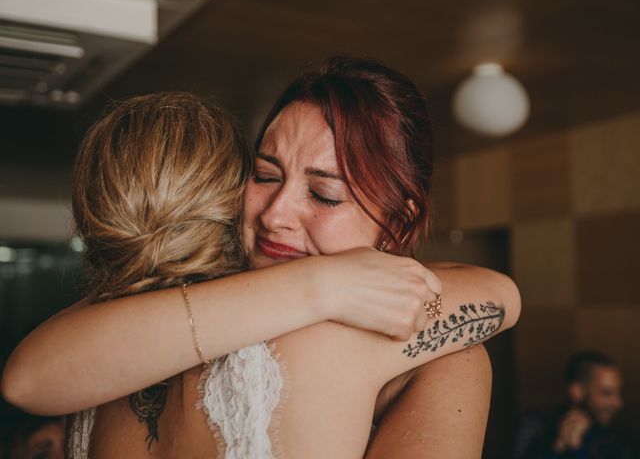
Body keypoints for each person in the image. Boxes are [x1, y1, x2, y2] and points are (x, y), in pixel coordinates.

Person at [1, 58, 520, 457]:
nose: (275, 215)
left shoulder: (439, 353)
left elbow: (498, 293)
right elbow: (27, 378)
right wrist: (323, 284)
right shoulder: (140, 315)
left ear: (399, 222)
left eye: (325, 195)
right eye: (266, 176)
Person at [515, 350, 635, 459]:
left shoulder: (618, 439)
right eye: (607, 393)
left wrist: (577, 449)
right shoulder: (536, 425)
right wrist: (558, 447)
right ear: (577, 391)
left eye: (618, 393)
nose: (618, 403)